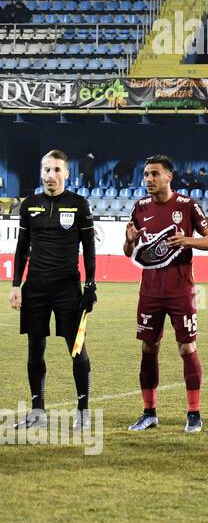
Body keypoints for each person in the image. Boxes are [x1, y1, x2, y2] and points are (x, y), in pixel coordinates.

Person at [123, 155, 208, 434]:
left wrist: (187, 240)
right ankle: (149, 412)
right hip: (150, 292)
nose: (149, 179)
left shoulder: (187, 206)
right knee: (148, 348)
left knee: (187, 348)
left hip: (181, 291)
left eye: (154, 174)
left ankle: (193, 413)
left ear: (169, 176)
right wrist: (129, 242)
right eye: (146, 175)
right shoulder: (139, 208)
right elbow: (129, 252)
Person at [9, 150, 97, 431]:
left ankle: (83, 411)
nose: (51, 175)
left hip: (67, 289)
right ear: (41, 172)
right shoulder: (29, 205)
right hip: (34, 288)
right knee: (35, 349)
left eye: (57, 170)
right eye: (46, 169)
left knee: (76, 348)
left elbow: (89, 248)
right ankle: (37, 410)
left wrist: (90, 284)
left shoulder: (78, 204)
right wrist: (15, 286)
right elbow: (22, 249)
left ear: (66, 173)